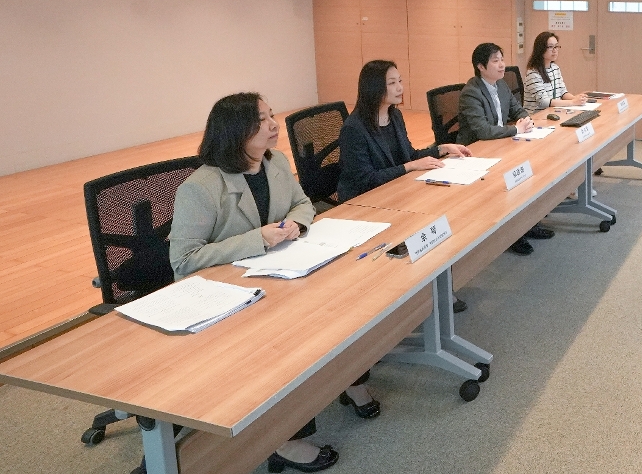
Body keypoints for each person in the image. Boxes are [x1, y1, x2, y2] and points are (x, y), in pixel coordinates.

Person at [169, 93, 338, 473]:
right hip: (222, 297)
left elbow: (303, 203)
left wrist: (296, 224)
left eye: (272, 115)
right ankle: (280, 440)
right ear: (236, 130)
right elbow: (183, 260)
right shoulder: (201, 187)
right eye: (262, 120)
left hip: (274, 280)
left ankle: (305, 411)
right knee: (288, 340)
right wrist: (257, 239)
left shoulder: (275, 163)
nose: (274, 125)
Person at [337, 59, 473, 314]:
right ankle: (421, 296)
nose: (400, 87)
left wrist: (441, 148)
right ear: (374, 88)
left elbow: (409, 155)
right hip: (365, 203)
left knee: (438, 213)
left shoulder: (394, 115)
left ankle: (435, 288)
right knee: (424, 222)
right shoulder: (354, 129)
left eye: (400, 81)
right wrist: (409, 167)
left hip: (395, 193)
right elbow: (365, 180)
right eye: (392, 83)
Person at [457, 42, 555, 255]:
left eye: (502, 59)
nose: (502, 65)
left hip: (500, 144)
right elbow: (483, 131)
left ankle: (528, 223)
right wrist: (516, 130)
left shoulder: (501, 85)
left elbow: (518, 109)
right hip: (477, 151)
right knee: (513, 178)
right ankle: (513, 233)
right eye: (495, 61)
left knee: (531, 167)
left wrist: (525, 120)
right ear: (480, 66)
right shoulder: (471, 92)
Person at [523, 31, 587, 112]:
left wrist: (576, 99)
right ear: (541, 49)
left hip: (554, 112)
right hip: (537, 115)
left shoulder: (555, 68)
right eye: (550, 47)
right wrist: (573, 102)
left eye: (556, 46)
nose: (555, 50)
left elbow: (563, 92)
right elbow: (544, 102)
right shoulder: (533, 73)